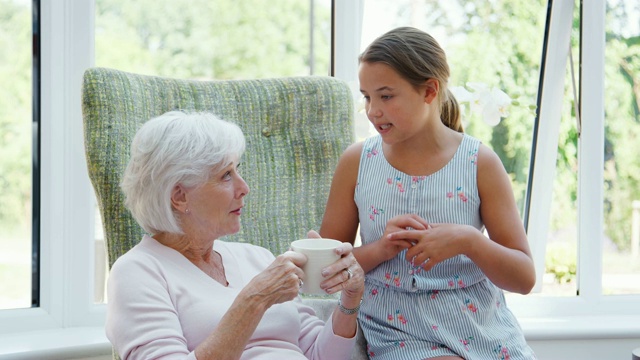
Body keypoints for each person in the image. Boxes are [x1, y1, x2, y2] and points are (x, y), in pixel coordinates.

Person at [319, 27, 537, 359]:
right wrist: (381, 249)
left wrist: (470, 241)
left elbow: (524, 278)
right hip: (398, 331)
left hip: (484, 330)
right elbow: (326, 270)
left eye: (386, 96)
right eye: (367, 96)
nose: (372, 110)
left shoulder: (480, 163)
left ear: (429, 91)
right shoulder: (357, 162)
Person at [106, 111, 365, 360]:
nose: (244, 188)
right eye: (226, 175)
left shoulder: (257, 257)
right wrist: (255, 299)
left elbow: (322, 355)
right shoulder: (137, 271)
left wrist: (350, 299)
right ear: (179, 196)